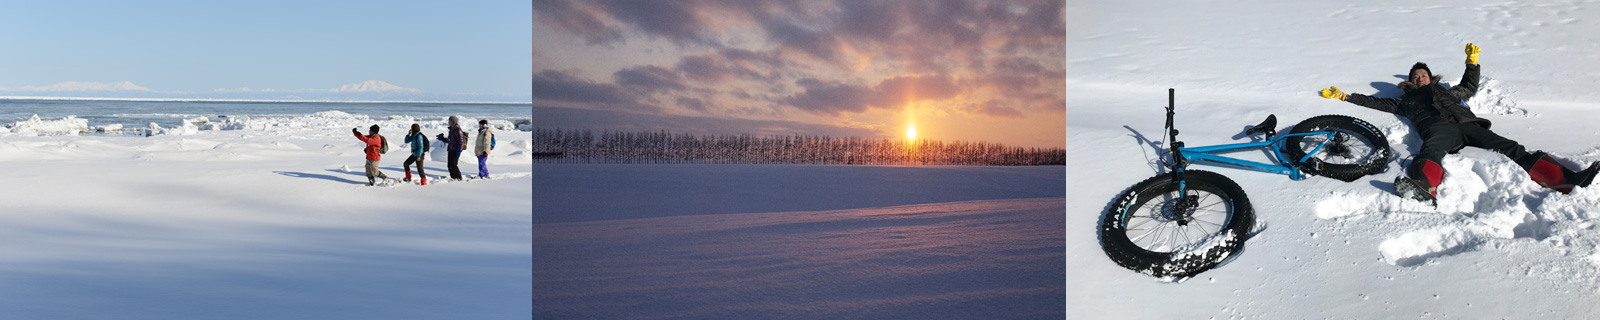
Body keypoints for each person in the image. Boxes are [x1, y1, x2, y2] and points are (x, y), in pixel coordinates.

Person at [1319, 43, 1600, 204]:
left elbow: (1470, 85)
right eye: (1415, 76)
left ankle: (1566, 180)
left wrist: (1472, 62)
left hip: (1469, 126)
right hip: (1438, 130)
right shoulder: (1405, 101)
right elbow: (1375, 103)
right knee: (1429, 153)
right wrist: (1345, 96)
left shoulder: (1448, 91)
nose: (1420, 78)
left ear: (1431, 77)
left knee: (1512, 147)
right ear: (1410, 81)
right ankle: (1422, 187)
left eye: (1423, 75)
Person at [436, 116, 469, 180]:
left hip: (456, 150)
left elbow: (461, 142)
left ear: (453, 122)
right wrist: (443, 139)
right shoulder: (451, 129)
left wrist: (459, 151)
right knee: (449, 165)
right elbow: (450, 140)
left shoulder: (458, 130)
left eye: (449, 121)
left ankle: (459, 178)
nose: (448, 122)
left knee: (454, 165)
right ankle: (453, 177)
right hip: (450, 149)